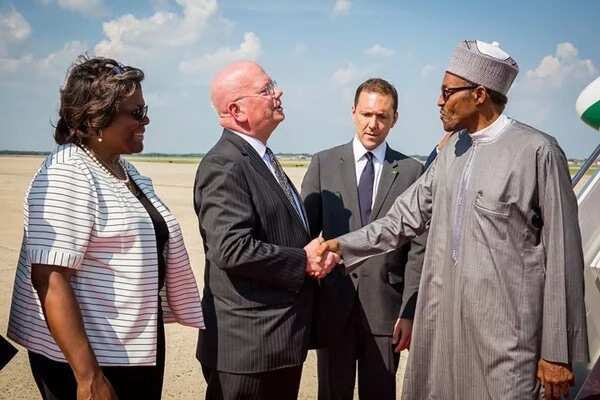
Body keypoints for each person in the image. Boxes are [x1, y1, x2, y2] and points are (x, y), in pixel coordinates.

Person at [318, 40, 589, 400]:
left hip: (508, 344)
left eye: (446, 92)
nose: (438, 101)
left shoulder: (538, 151)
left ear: (479, 94)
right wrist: (339, 245)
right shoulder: (451, 153)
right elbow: (400, 220)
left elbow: (564, 258)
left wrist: (558, 351)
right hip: (445, 335)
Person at [6, 56, 204, 400]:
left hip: (128, 350)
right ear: (96, 116)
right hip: (91, 362)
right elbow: (50, 277)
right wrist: (88, 377)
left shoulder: (123, 171)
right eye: (136, 112)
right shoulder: (69, 173)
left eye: (145, 109)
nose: (147, 120)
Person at [194, 60, 329, 400]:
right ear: (236, 110)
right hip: (248, 352)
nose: (277, 93)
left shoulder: (258, 156)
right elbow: (231, 248)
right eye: (266, 89)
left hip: (276, 343)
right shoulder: (224, 164)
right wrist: (303, 261)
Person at [301, 78, 426, 400]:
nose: (373, 124)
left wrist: (409, 312)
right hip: (333, 308)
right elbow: (304, 237)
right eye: (367, 114)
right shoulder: (323, 164)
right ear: (353, 112)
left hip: (387, 313)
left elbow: (419, 250)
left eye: (382, 116)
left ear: (394, 119)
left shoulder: (412, 172)